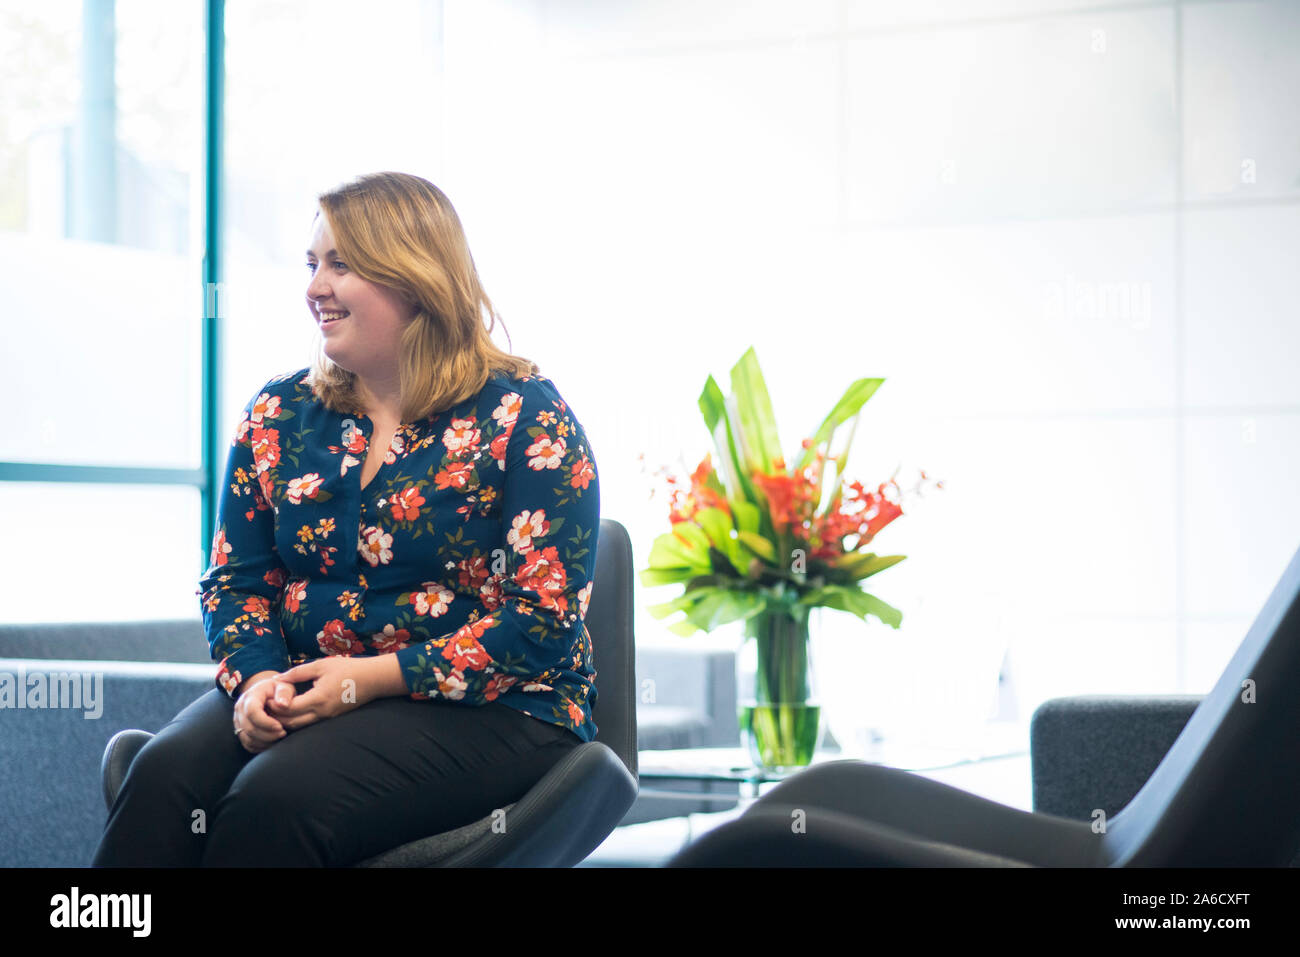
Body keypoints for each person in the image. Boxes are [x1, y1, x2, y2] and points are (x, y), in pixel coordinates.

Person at [93, 171, 600, 867]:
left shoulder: (525, 414)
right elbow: (234, 581)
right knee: (160, 780)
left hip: (497, 708)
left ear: (414, 276)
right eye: (311, 264)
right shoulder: (278, 413)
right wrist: (256, 680)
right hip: (302, 683)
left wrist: (370, 678)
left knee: (275, 802)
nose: (314, 287)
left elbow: (542, 623)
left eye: (341, 264)